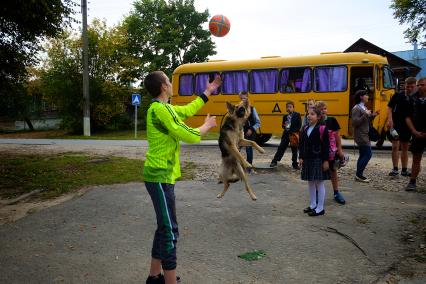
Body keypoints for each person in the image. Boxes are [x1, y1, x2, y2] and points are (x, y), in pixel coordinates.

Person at [143, 71, 221, 284]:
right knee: (170, 231)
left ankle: (153, 277)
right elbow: (184, 132)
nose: (171, 83)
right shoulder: (158, 110)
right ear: (163, 87)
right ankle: (170, 281)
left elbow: (187, 110)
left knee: (164, 227)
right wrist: (206, 127)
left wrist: (208, 91)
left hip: (163, 177)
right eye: (168, 80)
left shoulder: (165, 109)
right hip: (158, 177)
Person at [299, 107, 330, 216]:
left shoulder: (322, 128)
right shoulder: (305, 128)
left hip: (318, 159)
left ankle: (320, 208)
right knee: (310, 183)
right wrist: (301, 157)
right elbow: (301, 144)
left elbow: (326, 146)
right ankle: (313, 204)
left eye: (312, 114)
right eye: (308, 114)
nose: (309, 116)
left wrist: (326, 161)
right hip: (307, 159)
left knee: (319, 183)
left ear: (318, 117)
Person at [316, 101, 347, 205]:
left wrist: (340, 149)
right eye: (321, 109)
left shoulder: (332, 120)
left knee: (333, 171)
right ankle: (317, 194)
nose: (323, 111)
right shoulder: (316, 121)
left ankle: (336, 192)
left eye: (325, 108)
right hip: (319, 152)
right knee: (319, 173)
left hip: (332, 152)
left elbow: (338, 136)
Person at [386, 77, 417, 177]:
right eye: (408, 87)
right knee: (395, 147)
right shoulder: (398, 95)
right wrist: (389, 119)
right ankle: (395, 169)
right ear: (404, 86)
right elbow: (389, 107)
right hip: (396, 124)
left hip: (408, 125)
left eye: (412, 87)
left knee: (405, 147)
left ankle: (404, 170)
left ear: (415, 86)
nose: (409, 89)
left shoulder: (416, 97)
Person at [351, 90, 380, 183]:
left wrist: (373, 115)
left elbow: (366, 120)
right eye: (366, 95)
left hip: (364, 133)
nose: (368, 96)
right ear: (361, 97)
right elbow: (355, 123)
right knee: (368, 154)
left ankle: (359, 175)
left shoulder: (363, 107)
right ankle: (359, 175)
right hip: (361, 135)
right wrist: (365, 114)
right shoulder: (356, 108)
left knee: (363, 154)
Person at [404, 77, 426, 191]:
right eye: (419, 85)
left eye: (422, 85)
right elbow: (407, 117)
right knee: (416, 158)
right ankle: (412, 182)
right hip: (417, 133)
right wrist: (414, 131)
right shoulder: (412, 99)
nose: (420, 87)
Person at [270, 101, 302, 169]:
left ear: (293, 108)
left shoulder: (297, 115)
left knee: (294, 150)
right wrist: (285, 125)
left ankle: (294, 164)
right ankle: (274, 161)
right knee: (281, 147)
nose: (289, 108)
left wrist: (292, 131)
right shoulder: (285, 116)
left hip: (293, 134)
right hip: (286, 134)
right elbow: (283, 125)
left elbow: (299, 125)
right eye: (287, 107)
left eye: (290, 107)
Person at [239, 91, 261, 174]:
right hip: (240, 132)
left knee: (248, 149)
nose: (243, 100)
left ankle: (249, 167)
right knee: (237, 149)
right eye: (241, 99)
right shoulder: (239, 109)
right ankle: (236, 167)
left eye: (244, 98)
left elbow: (258, 122)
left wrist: (251, 129)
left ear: (247, 98)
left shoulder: (252, 108)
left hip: (250, 132)